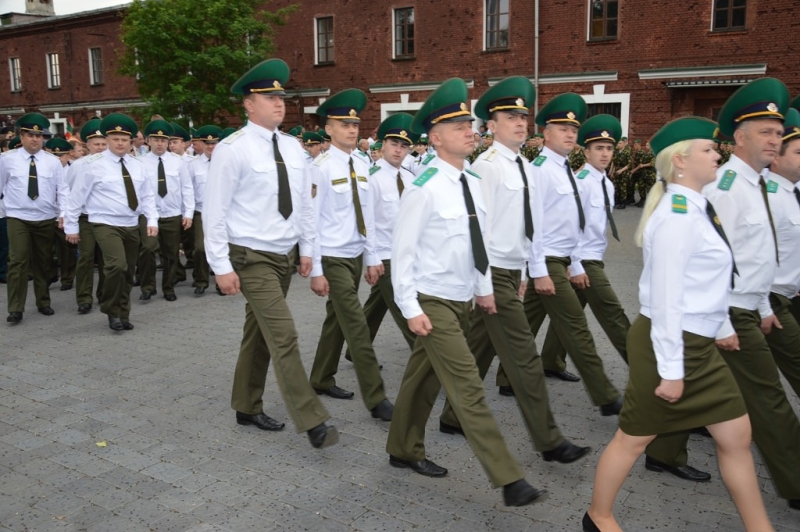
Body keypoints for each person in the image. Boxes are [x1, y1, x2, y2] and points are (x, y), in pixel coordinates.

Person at [583, 116, 773, 532]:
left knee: (737, 436)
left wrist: (720, 326)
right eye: (708, 149)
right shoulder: (677, 216)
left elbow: (709, 279)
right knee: (633, 439)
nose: (717, 153)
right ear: (681, 161)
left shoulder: (699, 206)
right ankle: (598, 516)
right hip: (666, 345)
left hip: (697, 343)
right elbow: (667, 301)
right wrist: (671, 371)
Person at [387, 77, 547, 507]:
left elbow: (477, 241)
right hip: (432, 299)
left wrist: (483, 289)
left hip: (462, 297)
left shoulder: (472, 180)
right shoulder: (422, 188)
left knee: (422, 378)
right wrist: (409, 307)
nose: (469, 131)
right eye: (458, 127)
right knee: (466, 385)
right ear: (436, 138)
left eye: (469, 125)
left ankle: (402, 447)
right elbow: (400, 253)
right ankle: (510, 478)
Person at [436, 76, 591, 466]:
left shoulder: (526, 166)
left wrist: (530, 271)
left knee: (474, 349)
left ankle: (448, 418)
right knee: (523, 358)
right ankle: (550, 440)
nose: (521, 122)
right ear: (491, 125)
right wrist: (483, 283)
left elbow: (531, 227)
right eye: (510, 116)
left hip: (511, 272)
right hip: (492, 274)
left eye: (524, 116)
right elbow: (478, 230)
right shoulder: (486, 167)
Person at [202, 58, 338, 448]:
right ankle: (313, 421)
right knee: (284, 334)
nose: (279, 103)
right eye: (268, 97)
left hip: (283, 255)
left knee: (259, 334)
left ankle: (246, 405)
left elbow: (306, 205)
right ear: (249, 104)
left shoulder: (295, 149)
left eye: (281, 96)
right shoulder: (232, 149)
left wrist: (308, 250)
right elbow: (215, 211)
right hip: (250, 256)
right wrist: (221, 266)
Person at [702, 77, 800, 511]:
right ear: (739, 137)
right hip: (727, 310)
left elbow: (758, 257)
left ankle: (663, 450)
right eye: (766, 132)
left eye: (779, 133)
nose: (775, 140)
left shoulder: (760, 184)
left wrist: (763, 305)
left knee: (687, 390)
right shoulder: (724, 188)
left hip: (750, 305)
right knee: (770, 401)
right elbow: (707, 262)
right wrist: (724, 321)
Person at [520, 92, 623, 415]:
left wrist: (572, 261)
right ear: (545, 133)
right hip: (548, 259)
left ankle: (508, 375)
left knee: (522, 322)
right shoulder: (540, 170)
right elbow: (531, 223)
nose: (568, 134)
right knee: (578, 327)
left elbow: (572, 223)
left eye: (573, 130)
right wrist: (535, 270)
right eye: (561, 128)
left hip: (564, 258)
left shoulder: (566, 170)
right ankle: (606, 395)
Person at [307, 89, 394, 421]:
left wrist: (372, 257)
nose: (352, 129)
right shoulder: (320, 167)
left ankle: (320, 377)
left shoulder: (361, 163)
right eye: (344, 124)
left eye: (355, 123)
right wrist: (316, 268)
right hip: (331, 256)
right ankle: (376, 397)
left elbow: (368, 215)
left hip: (356, 254)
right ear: (328, 129)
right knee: (356, 323)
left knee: (336, 319)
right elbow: (311, 222)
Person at [539, 114, 630, 378]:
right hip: (582, 261)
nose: (605, 154)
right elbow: (571, 227)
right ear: (586, 152)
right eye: (598, 148)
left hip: (593, 257)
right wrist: (575, 263)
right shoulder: (581, 182)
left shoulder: (606, 184)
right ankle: (647, 372)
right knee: (614, 314)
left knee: (571, 313)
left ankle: (551, 361)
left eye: (609, 148)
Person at [65, 113, 159, 331]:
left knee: (128, 271)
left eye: (124, 140)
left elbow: (147, 196)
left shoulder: (138, 165)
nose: (120, 143)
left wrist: (152, 220)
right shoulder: (92, 165)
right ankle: (111, 310)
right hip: (104, 223)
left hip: (132, 223)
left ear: (131, 142)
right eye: (115, 139)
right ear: (107, 140)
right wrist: (71, 226)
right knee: (116, 265)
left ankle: (123, 313)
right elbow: (75, 198)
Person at [344, 113, 419, 361]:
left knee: (376, 307)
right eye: (394, 144)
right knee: (405, 310)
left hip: (406, 254)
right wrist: (371, 258)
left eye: (404, 145)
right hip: (385, 256)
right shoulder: (372, 178)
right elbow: (367, 222)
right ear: (382, 145)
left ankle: (356, 349)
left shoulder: (411, 178)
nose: (398, 150)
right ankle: (430, 361)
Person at [0, 113, 66, 323]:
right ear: (22, 136)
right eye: (30, 135)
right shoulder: (7, 160)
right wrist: (5, 212)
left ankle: (43, 302)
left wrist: (63, 214)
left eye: (39, 135)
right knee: (17, 261)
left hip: (45, 217)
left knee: (43, 262)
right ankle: (15, 308)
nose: (35, 139)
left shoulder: (52, 162)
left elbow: (62, 190)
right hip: (18, 217)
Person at [763, 107, 800, 397]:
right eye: (798, 153)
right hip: (771, 296)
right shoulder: (767, 196)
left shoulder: (791, 190)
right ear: (776, 157)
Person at [137, 120, 194, 302]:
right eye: (156, 139)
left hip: (172, 213)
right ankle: (147, 286)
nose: (160, 143)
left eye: (163, 139)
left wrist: (188, 213)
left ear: (168, 141)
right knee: (147, 249)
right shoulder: (140, 162)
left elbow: (187, 188)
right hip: (148, 214)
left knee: (171, 254)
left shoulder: (178, 162)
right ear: (148, 141)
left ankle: (168, 287)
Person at [67, 119, 107, 315]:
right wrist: (69, 222)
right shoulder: (79, 165)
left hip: (107, 218)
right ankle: (84, 298)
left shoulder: (112, 164)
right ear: (87, 145)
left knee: (107, 258)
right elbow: (70, 192)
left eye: (103, 144)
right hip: (86, 217)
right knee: (87, 256)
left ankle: (104, 294)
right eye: (96, 144)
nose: (100, 148)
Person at [187, 125, 222, 295]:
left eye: (214, 142)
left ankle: (221, 282)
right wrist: (188, 213)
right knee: (200, 248)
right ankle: (201, 280)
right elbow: (188, 190)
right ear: (201, 143)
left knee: (221, 247)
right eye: (207, 143)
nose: (210, 146)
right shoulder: (193, 165)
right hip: (201, 211)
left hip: (222, 212)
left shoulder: (225, 163)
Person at [45, 137, 78, 292]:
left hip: (67, 214)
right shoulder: (44, 168)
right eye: (54, 156)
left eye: (61, 156)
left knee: (67, 249)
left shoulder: (74, 169)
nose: (58, 159)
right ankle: (50, 274)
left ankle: (67, 278)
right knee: (46, 249)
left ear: (68, 155)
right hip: (47, 214)